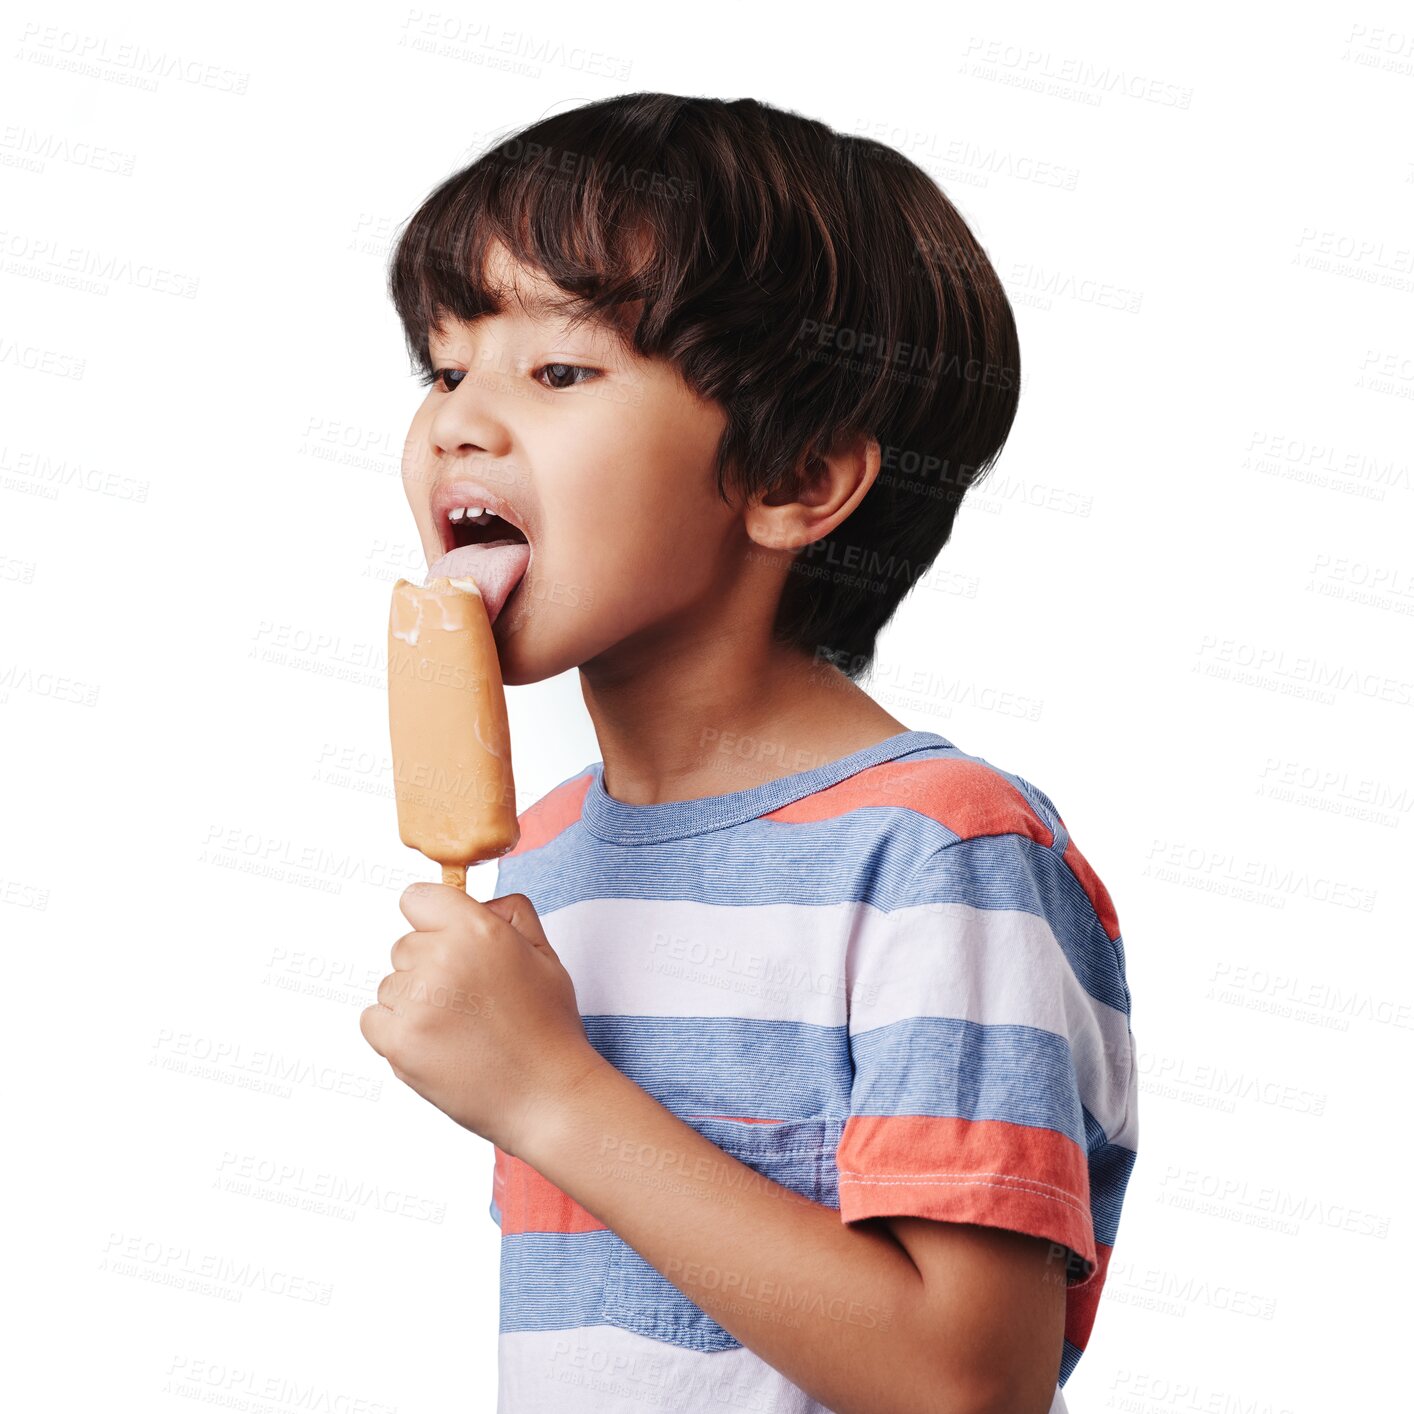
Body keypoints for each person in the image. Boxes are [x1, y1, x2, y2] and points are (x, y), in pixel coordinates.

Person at [361, 91, 1138, 1414]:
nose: (457, 424)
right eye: (444, 367)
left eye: (556, 371)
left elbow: (965, 1382)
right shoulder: (544, 852)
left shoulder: (937, 851)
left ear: (792, 480)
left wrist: (549, 1092)